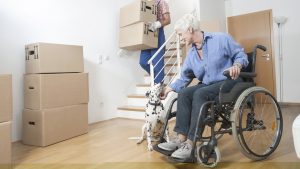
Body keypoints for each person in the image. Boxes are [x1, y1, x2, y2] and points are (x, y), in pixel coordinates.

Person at [157, 13, 249, 159]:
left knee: (200, 94)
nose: (180, 38)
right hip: (208, 86)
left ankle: (191, 142)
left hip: (229, 82)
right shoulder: (192, 54)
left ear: (190, 29)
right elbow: (185, 77)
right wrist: (169, 89)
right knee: (185, 93)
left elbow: (241, 55)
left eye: (181, 34)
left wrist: (237, 65)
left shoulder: (220, 39)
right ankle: (181, 139)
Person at [139, 0, 171, 84]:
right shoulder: (144, 3)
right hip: (147, 33)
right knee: (143, 62)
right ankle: (158, 78)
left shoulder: (161, 2)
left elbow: (168, 20)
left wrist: (157, 24)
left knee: (157, 63)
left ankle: (158, 87)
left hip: (157, 33)